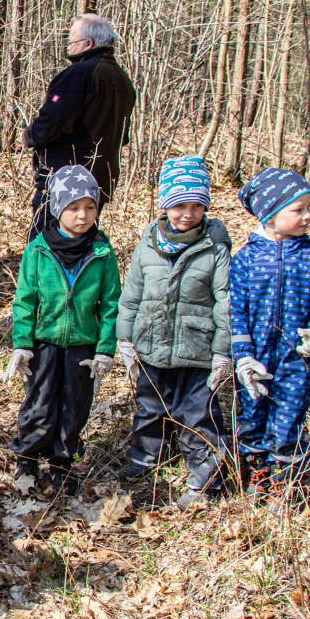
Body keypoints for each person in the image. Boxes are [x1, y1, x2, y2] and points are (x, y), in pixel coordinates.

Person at [114, 156, 233, 509]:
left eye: (197, 206)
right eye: (180, 205)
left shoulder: (216, 248)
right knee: (149, 407)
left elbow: (225, 302)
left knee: (199, 415)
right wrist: (125, 338)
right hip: (151, 346)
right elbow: (131, 294)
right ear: (166, 205)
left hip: (197, 351)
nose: (187, 214)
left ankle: (205, 480)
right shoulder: (148, 243)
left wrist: (223, 351)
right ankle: (145, 460)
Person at [230, 168, 310, 510]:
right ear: (269, 213)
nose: (308, 216)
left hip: (298, 360)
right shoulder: (246, 260)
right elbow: (235, 312)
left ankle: (282, 485)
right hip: (256, 360)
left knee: (288, 419)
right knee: (251, 419)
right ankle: (257, 476)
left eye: (309, 207)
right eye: (298, 209)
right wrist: (243, 357)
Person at [5, 165, 120, 496]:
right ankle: (26, 458)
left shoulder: (102, 251)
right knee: (38, 405)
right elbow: (24, 301)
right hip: (43, 345)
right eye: (73, 208)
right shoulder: (38, 250)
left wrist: (105, 349)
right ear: (58, 209)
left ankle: (62, 462)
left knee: (75, 408)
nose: (82, 216)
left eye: (90, 207)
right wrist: (22, 344)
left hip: (82, 347)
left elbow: (111, 305)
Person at [22, 14, 136, 241]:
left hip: (66, 182)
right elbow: (123, 136)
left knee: (44, 247)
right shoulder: (123, 79)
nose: (69, 46)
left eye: (72, 41)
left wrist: (28, 136)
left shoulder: (78, 74)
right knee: (81, 245)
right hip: (98, 182)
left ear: (88, 44)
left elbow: (50, 124)